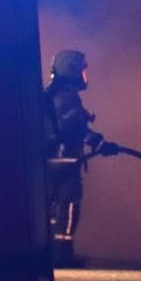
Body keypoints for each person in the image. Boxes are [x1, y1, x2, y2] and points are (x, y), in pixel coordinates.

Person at [43, 49, 106, 266]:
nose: (85, 75)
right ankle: (62, 251)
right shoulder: (66, 96)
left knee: (52, 205)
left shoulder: (52, 93)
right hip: (65, 158)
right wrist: (96, 140)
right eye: (82, 70)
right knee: (69, 201)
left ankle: (51, 250)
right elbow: (73, 126)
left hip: (51, 159)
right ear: (72, 70)